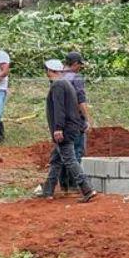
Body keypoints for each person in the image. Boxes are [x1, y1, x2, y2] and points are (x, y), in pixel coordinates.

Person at [40, 59, 96, 201]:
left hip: (64, 129)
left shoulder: (58, 85)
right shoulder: (65, 83)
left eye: (46, 70)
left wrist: (58, 128)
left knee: (70, 160)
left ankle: (87, 189)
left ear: (50, 71)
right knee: (56, 160)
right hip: (71, 127)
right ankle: (48, 190)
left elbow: (59, 109)